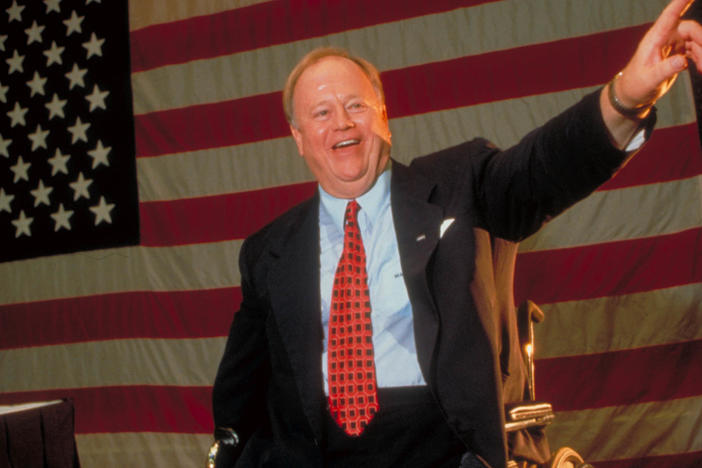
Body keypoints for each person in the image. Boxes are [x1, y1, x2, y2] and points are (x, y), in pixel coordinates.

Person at [212, 1, 702, 466]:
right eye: (321, 113)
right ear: (298, 138)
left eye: (355, 105)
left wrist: (625, 97)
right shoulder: (268, 251)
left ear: (383, 116)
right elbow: (241, 393)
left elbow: (544, 168)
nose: (342, 122)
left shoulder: (460, 186)